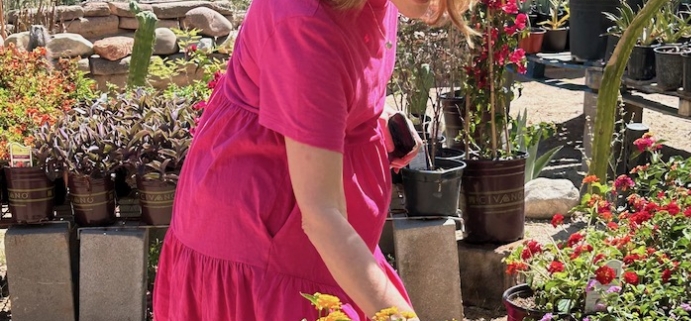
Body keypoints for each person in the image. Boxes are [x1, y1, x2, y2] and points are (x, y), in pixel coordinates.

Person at [151, 0, 473, 319]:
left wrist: (376, 115)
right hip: (264, 248)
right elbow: (322, 216)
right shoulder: (305, 23)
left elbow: (329, 83)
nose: (440, 8)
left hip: (328, 243)